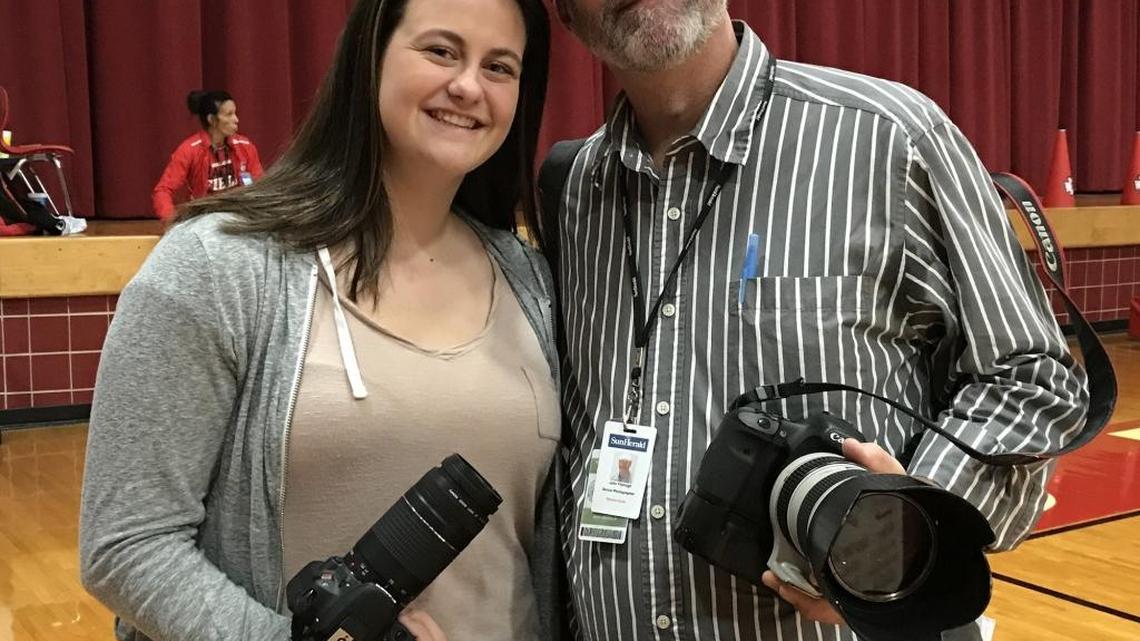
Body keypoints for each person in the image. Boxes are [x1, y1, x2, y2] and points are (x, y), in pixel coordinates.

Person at [544, 1, 1089, 640]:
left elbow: (1031, 377)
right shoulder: (571, 190)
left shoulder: (891, 139)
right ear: (566, 15)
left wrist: (905, 532)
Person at [80, 0, 561, 638]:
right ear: (371, 55)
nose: (469, 85)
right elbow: (126, 544)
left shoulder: (531, 278)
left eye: (499, 66)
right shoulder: (217, 265)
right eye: (441, 51)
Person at [151, 90, 264, 220]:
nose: (236, 120)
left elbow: (258, 184)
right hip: (202, 218)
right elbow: (163, 190)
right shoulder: (189, 150)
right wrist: (171, 222)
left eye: (235, 113)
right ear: (211, 119)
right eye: (229, 114)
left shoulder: (245, 146)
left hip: (237, 216)